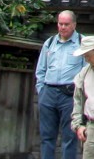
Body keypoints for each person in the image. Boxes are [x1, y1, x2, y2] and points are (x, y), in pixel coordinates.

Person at [35, 10, 86, 159]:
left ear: (74, 25)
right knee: (46, 136)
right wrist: (42, 91)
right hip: (48, 92)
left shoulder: (82, 43)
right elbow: (41, 70)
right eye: (60, 24)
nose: (62, 27)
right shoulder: (49, 43)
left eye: (66, 24)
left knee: (69, 136)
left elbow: (86, 73)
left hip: (70, 94)